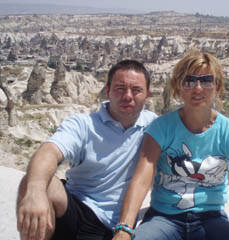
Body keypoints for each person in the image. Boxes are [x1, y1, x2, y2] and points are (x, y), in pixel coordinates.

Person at [113, 51, 229, 240]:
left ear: (217, 86)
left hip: (211, 220)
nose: (198, 88)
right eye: (189, 81)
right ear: (178, 86)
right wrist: (124, 229)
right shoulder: (161, 128)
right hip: (164, 219)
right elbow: (141, 181)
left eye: (207, 80)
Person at [16, 59, 158, 240]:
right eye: (120, 88)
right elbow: (49, 151)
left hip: (123, 222)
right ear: (107, 91)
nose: (128, 96)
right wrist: (35, 191)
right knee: (31, 182)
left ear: (147, 95)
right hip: (78, 211)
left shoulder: (154, 126)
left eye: (136, 90)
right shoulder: (83, 125)